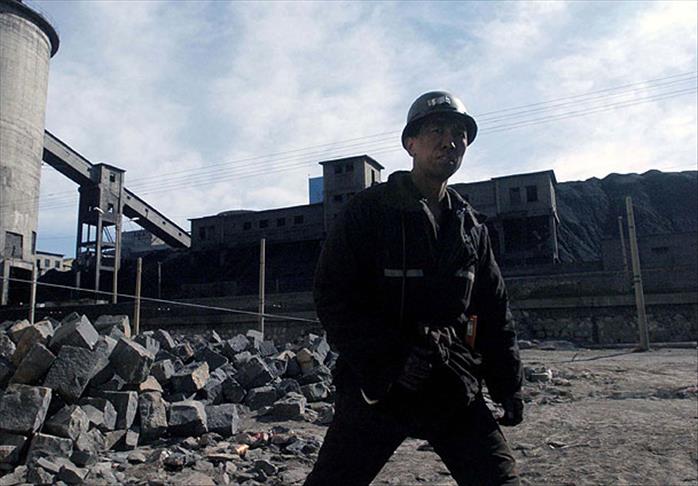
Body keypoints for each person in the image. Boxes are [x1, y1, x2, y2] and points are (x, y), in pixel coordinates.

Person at [304, 91, 524, 486]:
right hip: (379, 388)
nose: (449, 142)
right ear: (410, 143)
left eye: (459, 134)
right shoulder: (369, 212)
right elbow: (333, 296)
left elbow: (493, 310)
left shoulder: (470, 227)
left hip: (450, 380)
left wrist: (507, 384)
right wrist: (388, 359)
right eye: (436, 131)